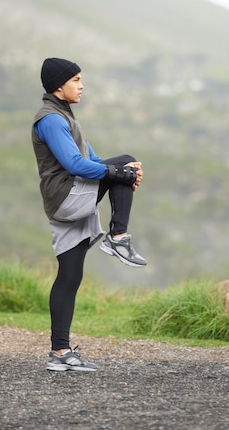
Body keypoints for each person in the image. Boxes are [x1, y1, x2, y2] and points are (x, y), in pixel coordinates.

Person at [31, 57, 146, 372]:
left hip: (66, 200)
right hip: (67, 197)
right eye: (76, 80)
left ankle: (60, 353)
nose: (81, 86)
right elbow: (75, 165)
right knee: (125, 161)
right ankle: (118, 237)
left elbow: (92, 158)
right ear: (59, 85)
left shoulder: (65, 116)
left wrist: (121, 173)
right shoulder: (51, 119)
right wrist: (122, 173)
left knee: (69, 277)